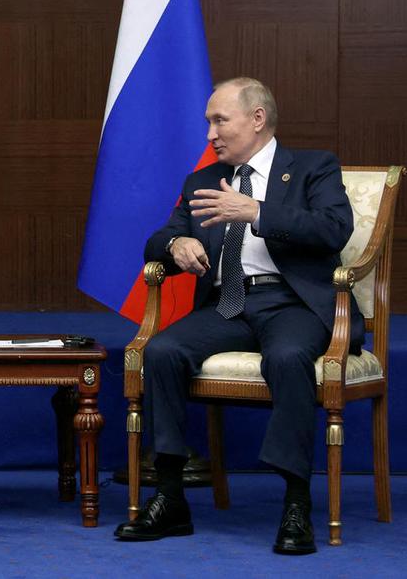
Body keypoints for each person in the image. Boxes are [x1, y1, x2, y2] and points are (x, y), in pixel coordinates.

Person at [113, 77, 360, 555]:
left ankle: (295, 503)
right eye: (210, 122)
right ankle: (169, 496)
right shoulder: (202, 181)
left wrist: (257, 211)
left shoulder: (312, 168)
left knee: (287, 358)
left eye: (219, 120)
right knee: (160, 352)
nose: (210, 134)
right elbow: (157, 240)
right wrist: (176, 244)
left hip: (292, 303)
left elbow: (334, 229)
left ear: (257, 119)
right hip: (229, 304)